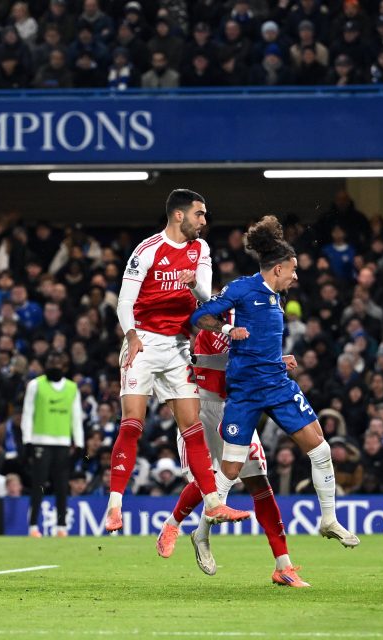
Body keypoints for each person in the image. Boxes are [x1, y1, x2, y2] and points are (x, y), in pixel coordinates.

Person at [190, 216, 360, 555]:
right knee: (232, 470)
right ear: (278, 269)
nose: (296, 276)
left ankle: (328, 519)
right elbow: (201, 317)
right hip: (246, 391)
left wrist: (280, 360)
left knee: (321, 449)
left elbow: (262, 341)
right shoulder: (241, 288)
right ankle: (201, 533)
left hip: (278, 385)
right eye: (293, 270)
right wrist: (226, 331)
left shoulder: (275, 298)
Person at [106, 189, 249, 532]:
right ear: (180, 215)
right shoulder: (147, 250)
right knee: (133, 423)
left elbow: (204, 293)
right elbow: (124, 302)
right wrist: (131, 337)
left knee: (192, 424)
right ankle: (115, 504)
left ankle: (213, 503)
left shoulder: (201, 248)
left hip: (177, 347)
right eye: (200, 214)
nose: (204, 220)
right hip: (143, 340)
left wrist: (194, 284)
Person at [156, 317, 306, 586]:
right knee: (207, 479)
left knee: (259, 481)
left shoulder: (260, 323)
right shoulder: (222, 318)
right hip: (200, 403)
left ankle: (283, 565)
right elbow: (224, 360)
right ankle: (172, 525)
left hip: (236, 406)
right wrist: (272, 363)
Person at [21, 351, 83, 537]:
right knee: (38, 485)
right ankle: (33, 526)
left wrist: (79, 444)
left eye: (58, 363)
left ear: (64, 367)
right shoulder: (35, 385)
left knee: (62, 486)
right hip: (40, 441)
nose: (54, 366)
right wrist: (27, 441)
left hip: (63, 443)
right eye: (50, 362)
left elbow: (76, 417)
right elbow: (27, 413)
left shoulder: (72, 388)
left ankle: (61, 527)